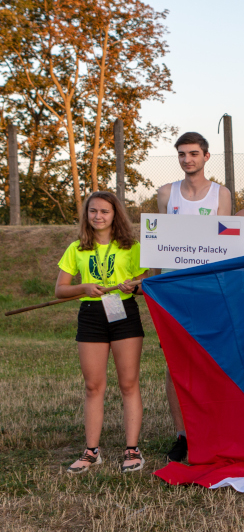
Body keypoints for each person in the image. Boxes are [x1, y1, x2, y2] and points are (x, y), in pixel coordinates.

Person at [57, 191, 148, 474]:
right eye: (93, 211)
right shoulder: (77, 248)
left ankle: (132, 450)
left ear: (115, 214)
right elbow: (60, 290)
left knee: (128, 384)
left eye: (105, 211)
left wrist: (133, 285)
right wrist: (84, 287)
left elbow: (145, 286)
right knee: (93, 386)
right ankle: (91, 451)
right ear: (86, 215)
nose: (98, 216)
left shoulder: (132, 247)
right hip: (91, 316)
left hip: (124, 314)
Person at [156, 132, 233, 463]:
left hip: (208, 291)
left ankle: (210, 429)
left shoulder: (221, 194)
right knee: (175, 365)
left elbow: (225, 246)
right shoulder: (166, 193)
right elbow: (158, 245)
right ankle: (183, 434)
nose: (187, 159)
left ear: (206, 156)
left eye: (193, 153)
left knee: (208, 362)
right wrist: (156, 286)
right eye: (182, 154)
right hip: (173, 292)